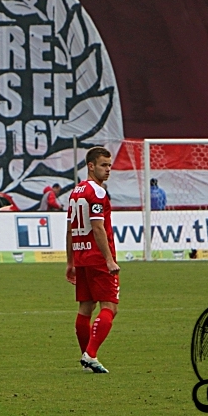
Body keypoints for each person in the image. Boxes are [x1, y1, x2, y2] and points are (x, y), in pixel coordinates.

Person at [66, 146, 120, 375]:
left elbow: (70, 229)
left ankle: (87, 357)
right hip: (98, 258)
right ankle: (91, 353)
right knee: (110, 306)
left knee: (86, 307)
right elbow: (98, 228)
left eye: (109, 165)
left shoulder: (75, 192)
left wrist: (70, 261)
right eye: (103, 165)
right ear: (91, 166)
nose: (108, 170)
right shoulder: (97, 192)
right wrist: (109, 260)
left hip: (81, 256)